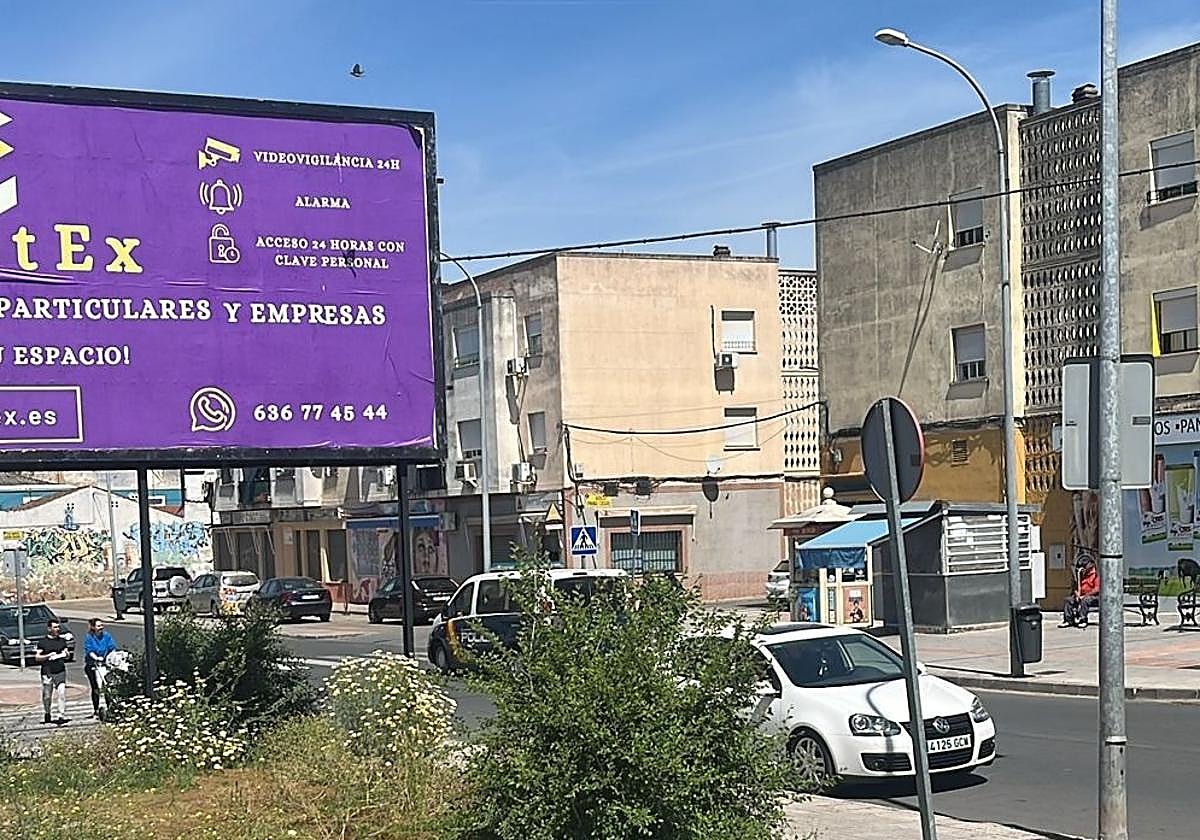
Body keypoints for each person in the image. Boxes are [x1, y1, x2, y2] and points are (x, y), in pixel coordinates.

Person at [34, 619, 71, 725]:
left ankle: (61, 715)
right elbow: (37, 657)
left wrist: (65, 654)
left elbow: (67, 653)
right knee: (47, 695)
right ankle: (47, 712)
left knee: (61, 693)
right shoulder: (43, 642)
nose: (57, 629)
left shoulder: (62, 641)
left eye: (58, 627)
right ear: (49, 629)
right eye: (55, 627)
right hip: (47, 671)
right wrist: (48, 656)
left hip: (60, 670)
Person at [84, 618, 118, 719]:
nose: (101, 627)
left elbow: (112, 647)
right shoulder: (89, 637)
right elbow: (89, 650)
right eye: (98, 626)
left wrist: (110, 657)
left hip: (104, 664)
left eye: (102, 625)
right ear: (93, 627)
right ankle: (96, 709)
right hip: (93, 665)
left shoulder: (106, 636)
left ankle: (110, 707)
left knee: (107, 685)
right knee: (96, 687)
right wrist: (96, 658)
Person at [1061, 558, 1101, 628]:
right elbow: (1075, 587)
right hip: (1081, 595)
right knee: (1068, 600)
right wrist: (1077, 595)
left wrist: (1085, 595)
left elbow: (1097, 589)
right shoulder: (1080, 575)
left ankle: (1083, 619)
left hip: (1093, 597)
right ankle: (1068, 620)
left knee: (1085, 600)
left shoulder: (1095, 575)